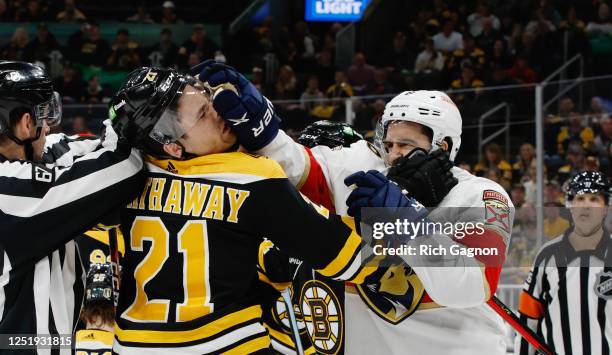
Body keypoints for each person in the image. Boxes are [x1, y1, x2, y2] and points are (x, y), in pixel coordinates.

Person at [194, 61, 515, 354]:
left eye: (406, 144)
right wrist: (263, 131)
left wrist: (405, 222)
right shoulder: (366, 171)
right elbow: (296, 165)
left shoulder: (480, 195)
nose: (394, 154)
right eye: (389, 145)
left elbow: (469, 288)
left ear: (442, 146)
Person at [108, 67, 410, 354]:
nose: (218, 111)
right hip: (225, 345)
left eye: (208, 101)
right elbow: (351, 259)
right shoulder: (249, 175)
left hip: (132, 343)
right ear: (172, 145)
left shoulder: (127, 173)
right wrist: (410, 224)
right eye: (202, 114)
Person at [0, 61, 144, 350]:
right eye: (44, 113)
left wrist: (121, 124)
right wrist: (132, 108)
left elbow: (89, 148)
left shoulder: (39, 158)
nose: (49, 125)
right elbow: (124, 167)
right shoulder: (9, 191)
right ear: (27, 122)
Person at [515, 171, 611, 354]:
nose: (586, 206)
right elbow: (528, 321)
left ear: (606, 207)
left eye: (594, 199)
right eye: (580, 198)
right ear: (570, 206)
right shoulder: (548, 256)